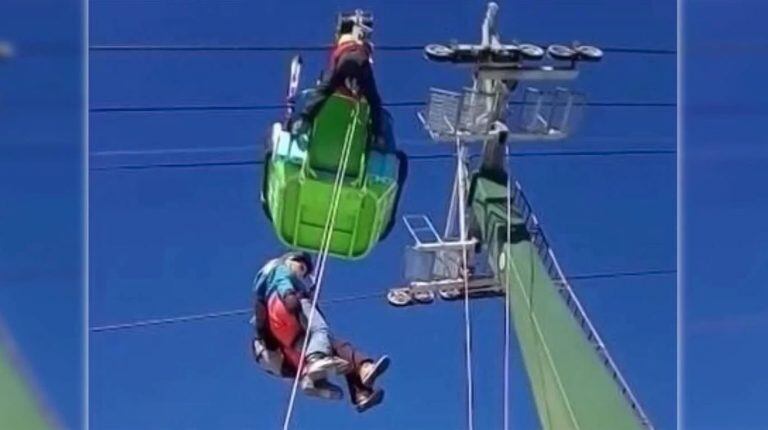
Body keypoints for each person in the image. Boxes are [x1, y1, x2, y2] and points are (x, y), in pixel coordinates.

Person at [251, 251, 390, 411]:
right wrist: (289, 294)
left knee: (335, 352)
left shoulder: (263, 300)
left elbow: (262, 324)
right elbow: (282, 279)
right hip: (289, 308)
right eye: (301, 267)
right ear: (289, 261)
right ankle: (359, 369)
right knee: (323, 333)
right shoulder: (282, 271)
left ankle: (357, 392)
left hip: (287, 335)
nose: (301, 273)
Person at [291, 13, 390, 152]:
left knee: (324, 90)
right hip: (359, 62)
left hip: (343, 61)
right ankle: (378, 135)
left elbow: (329, 83)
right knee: (374, 101)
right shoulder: (364, 44)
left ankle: (304, 120)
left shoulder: (343, 41)